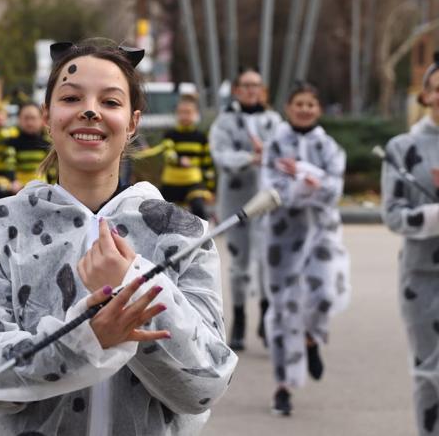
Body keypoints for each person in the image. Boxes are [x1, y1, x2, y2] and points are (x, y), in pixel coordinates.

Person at [0, 39, 236, 435]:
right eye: (71, 97)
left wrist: (133, 284)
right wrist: (85, 340)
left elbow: (205, 384)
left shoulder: (181, 234)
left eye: (110, 102)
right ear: (47, 116)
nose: (89, 111)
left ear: (132, 123)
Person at [260, 81, 351, 416]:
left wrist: (305, 173)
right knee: (283, 311)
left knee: (325, 294)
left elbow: (332, 191)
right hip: (282, 238)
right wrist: (308, 183)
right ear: (288, 107)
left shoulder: (329, 147)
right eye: (298, 103)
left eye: (310, 104)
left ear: (319, 109)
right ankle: (283, 386)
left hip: (322, 233)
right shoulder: (275, 144)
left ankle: (312, 336)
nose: (304, 109)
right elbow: (272, 190)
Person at [381, 54, 439, 436]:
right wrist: (432, 216)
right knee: (431, 371)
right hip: (423, 276)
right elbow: (393, 213)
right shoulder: (403, 147)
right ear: (427, 95)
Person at [209, 67, 282, 350]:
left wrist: (270, 155)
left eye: (257, 85)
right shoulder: (225, 122)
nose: (252, 90)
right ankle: (239, 317)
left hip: (267, 201)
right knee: (239, 265)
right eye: (247, 85)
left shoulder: (274, 121)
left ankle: (267, 315)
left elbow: (286, 155)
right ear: (237, 90)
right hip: (236, 201)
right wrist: (251, 157)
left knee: (267, 260)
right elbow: (221, 155)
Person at [135, 95, 214, 219]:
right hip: (172, 183)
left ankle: (204, 236)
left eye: (188, 112)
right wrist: (178, 160)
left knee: (198, 208)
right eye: (181, 112)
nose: (184, 116)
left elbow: (208, 164)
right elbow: (169, 154)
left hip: (193, 182)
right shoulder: (170, 135)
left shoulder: (201, 137)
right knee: (159, 213)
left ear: (196, 114)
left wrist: (210, 188)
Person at [7, 102, 52, 192]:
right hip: (18, 186)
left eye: (33, 118)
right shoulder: (12, 142)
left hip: (41, 186)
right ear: (19, 120)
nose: (29, 123)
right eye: (26, 118)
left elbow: (51, 169)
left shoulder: (47, 143)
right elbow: (9, 164)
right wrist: (13, 181)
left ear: (41, 120)